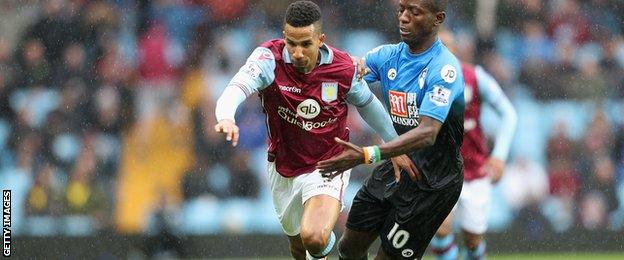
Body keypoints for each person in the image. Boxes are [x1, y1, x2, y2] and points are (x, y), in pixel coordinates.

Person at [213, 1, 409, 259]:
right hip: (283, 168)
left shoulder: (342, 69)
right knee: (299, 247)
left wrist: (394, 145)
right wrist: (226, 116)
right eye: (291, 43)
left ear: (320, 40)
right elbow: (236, 87)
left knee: (314, 237)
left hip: (329, 164)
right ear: (284, 37)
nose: (296, 52)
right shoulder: (267, 59)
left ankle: (323, 241)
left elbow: (368, 104)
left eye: (305, 44)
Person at [317, 0, 465, 259]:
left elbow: (428, 133)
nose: (404, 18)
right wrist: (348, 66)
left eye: (414, 12)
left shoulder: (445, 69)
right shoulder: (387, 56)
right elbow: (345, 76)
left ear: (437, 18)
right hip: (396, 164)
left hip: (433, 180)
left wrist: (368, 155)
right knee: (348, 247)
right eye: (401, 10)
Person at [428, 30, 518, 260]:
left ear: (456, 51)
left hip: (475, 170)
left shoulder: (476, 77)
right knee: (440, 228)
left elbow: (508, 114)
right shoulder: (423, 80)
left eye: (447, 47)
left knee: (472, 239)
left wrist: (498, 156)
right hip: (441, 171)